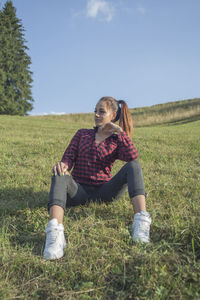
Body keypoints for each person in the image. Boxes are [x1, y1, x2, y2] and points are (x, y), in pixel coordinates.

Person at [43, 96, 152, 260]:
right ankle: (55, 234)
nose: (97, 114)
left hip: (104, 192)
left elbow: (132, 156)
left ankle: (141, 221)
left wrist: (119, 132)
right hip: (78, 191)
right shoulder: (82, 134)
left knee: (134, 166)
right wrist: (64, 165)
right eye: (95, 111)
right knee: (59, 173)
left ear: (113, 115)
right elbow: (68, 157)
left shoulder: (116, 140)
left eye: (102, 111)